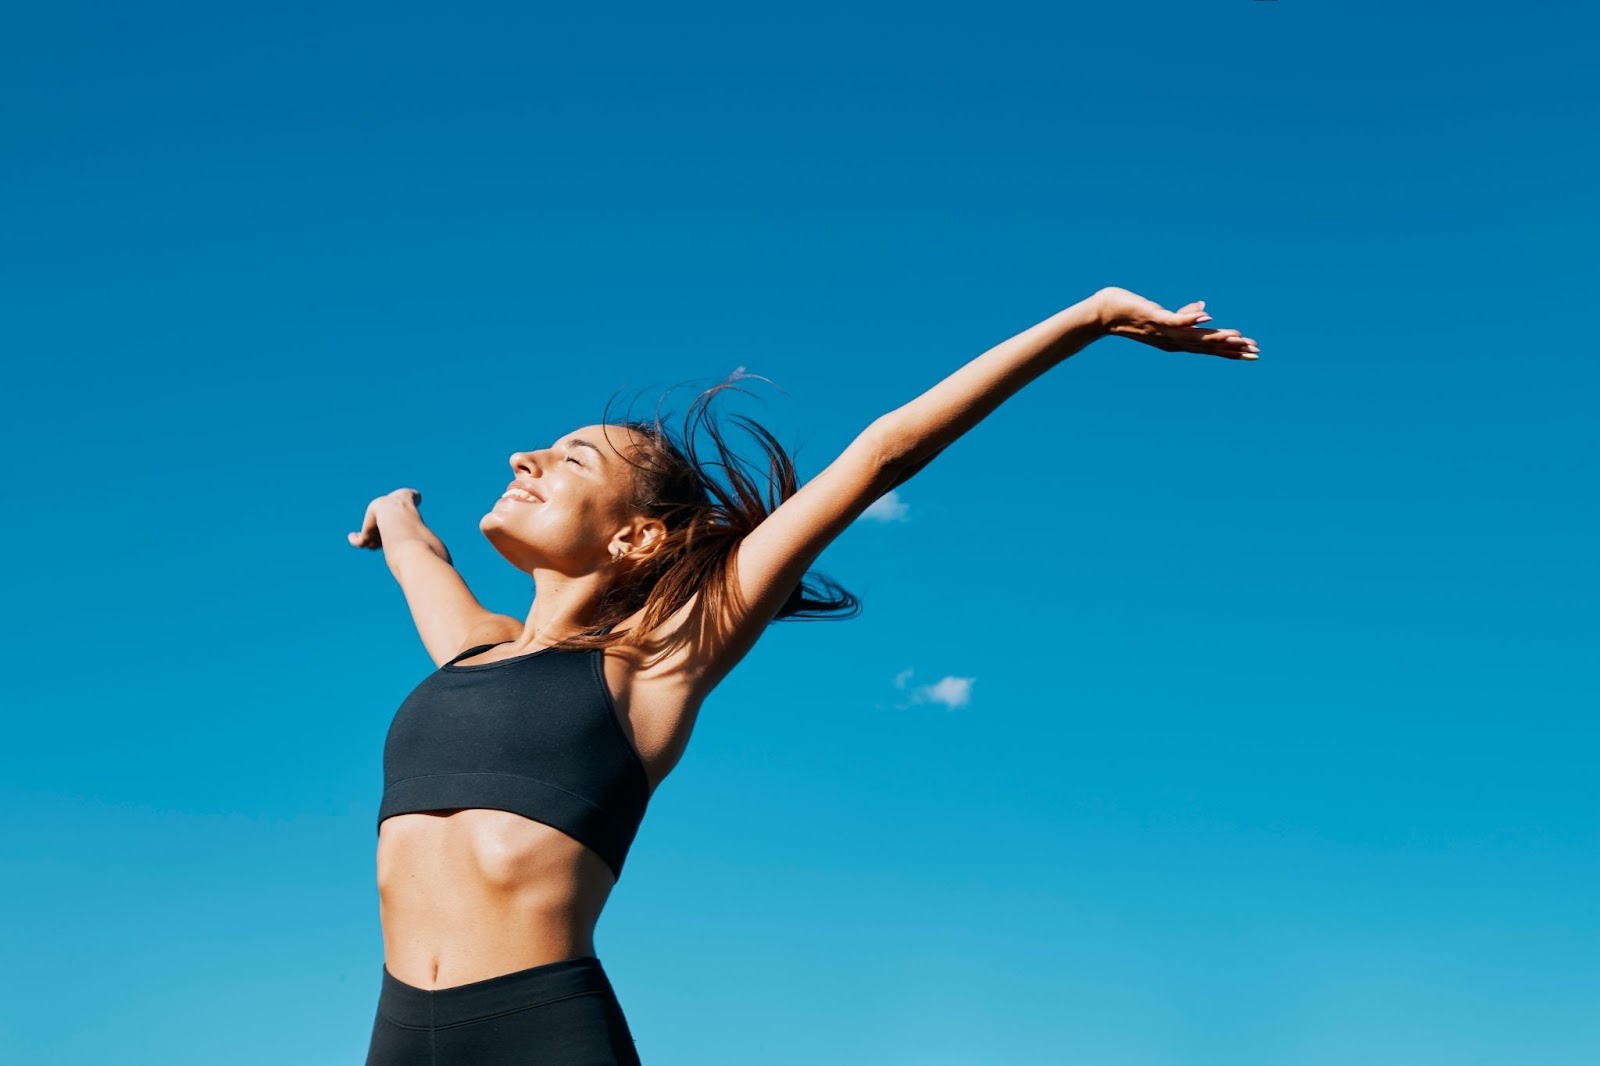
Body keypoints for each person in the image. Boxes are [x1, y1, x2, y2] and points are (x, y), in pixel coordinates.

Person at [347, 286, 1259, 1064]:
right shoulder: (470, 648)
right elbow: (414, 551)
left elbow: (881, 454)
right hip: (396, 1029)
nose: (524, 457)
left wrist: (1089, 318)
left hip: (537, 1025)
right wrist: (393, 510)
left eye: (572, 457)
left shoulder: (662, 658)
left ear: (637, 537)